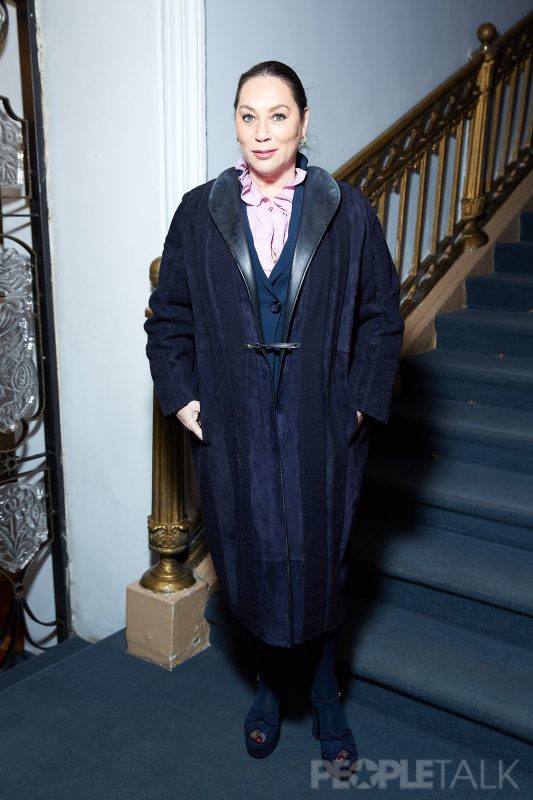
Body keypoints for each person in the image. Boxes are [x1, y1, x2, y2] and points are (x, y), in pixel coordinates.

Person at [144, 61, 404, 776]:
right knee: (251, 560)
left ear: (303, 121)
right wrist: (184, 399)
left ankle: (324, 694)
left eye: (278, 115)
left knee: (321, 563)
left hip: (323, 429)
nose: (262, 132)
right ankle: (268, 685)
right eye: (248, 115)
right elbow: (168, 319)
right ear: (234, 122)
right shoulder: (199, 212)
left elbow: (382, 316)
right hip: (235, 431)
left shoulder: (347, 211)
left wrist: (358, 400)